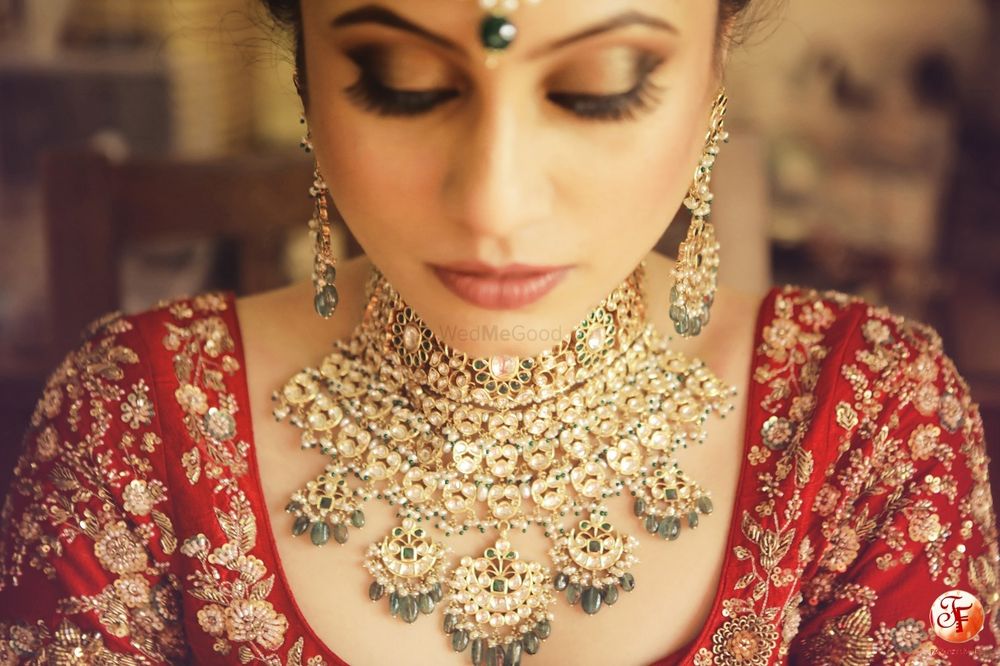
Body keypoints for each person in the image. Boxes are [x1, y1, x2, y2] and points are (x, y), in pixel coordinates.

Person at [1, 1, 998, 664]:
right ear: (303, 71)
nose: (495, 204)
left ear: (711, 72)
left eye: (602, 84)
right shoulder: (136, 414)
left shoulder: (870, 418)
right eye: (400, 80)